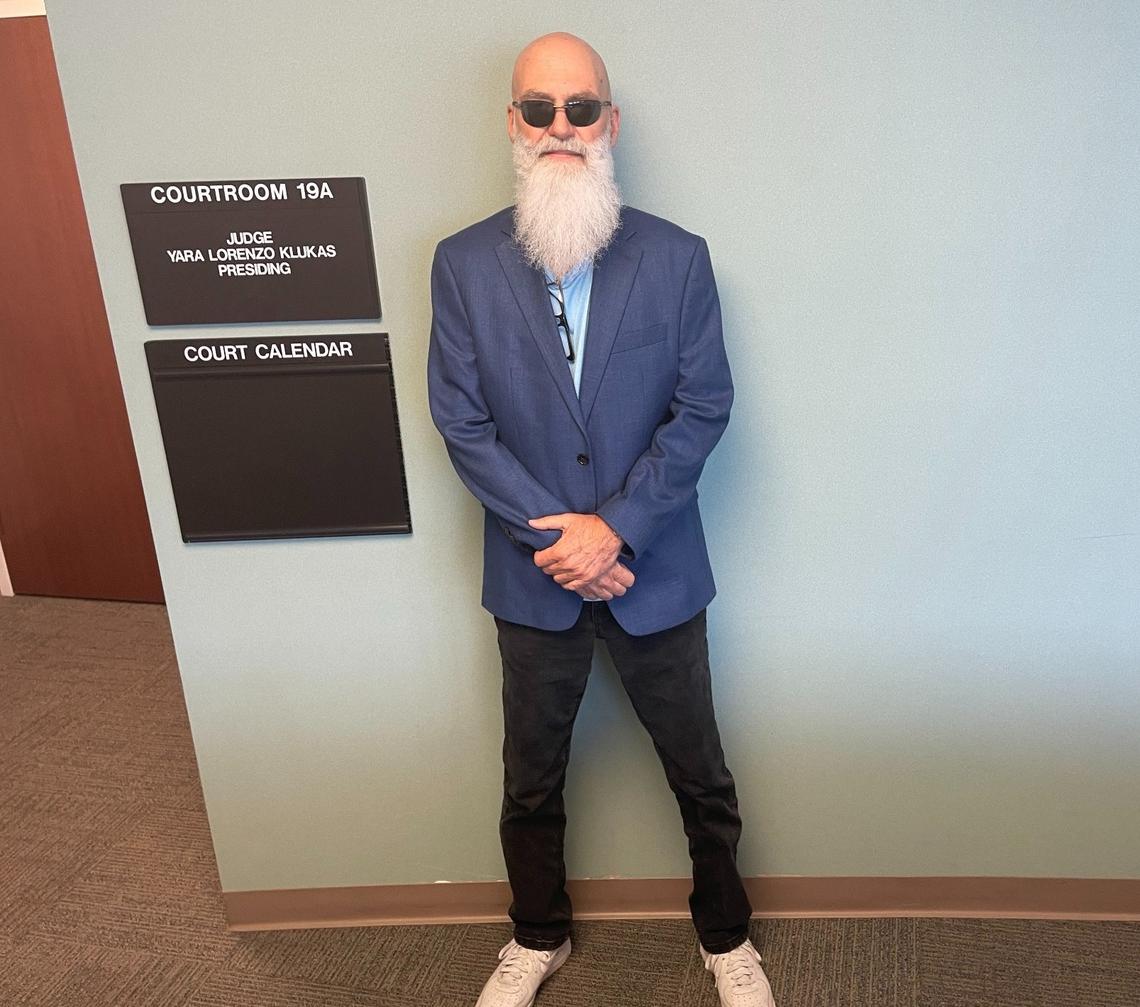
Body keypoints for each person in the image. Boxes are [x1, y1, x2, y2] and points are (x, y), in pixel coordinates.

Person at [427, 31, 776, 1007]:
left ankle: (727, 934)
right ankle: (537, 934)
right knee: (530, 778)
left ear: (609, 121)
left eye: (581, 108)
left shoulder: (678, 258)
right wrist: (562, 539)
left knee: (700, 772)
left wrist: (613, 529)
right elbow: (461, 421)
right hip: (534, 576)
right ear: (514, 122)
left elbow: (703, 405)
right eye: (539, 109)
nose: (561, 127)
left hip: (652, 566)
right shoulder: (461, 265)